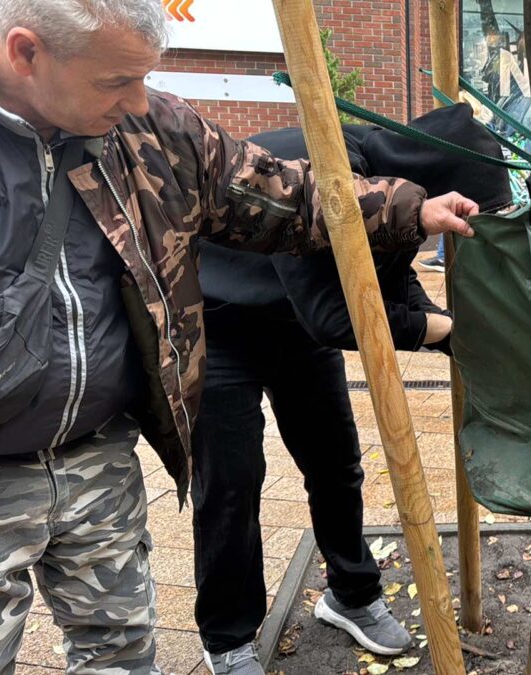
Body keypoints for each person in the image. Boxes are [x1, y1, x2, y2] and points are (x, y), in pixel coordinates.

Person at [0, 2, 476, 674]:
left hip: (96, 450)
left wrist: (410, 207)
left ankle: (332, 599)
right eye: (116, 81)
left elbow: (278, 193)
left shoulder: (152, 127)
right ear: (26, 53)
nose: (138, 100)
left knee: (120, 650)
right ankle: (230, 636)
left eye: (145, 77)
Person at [192, 109, 512, 674]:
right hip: (221, 324)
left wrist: (451, 332)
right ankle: (229, 638)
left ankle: (350, 595)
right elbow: (333, 316)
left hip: (296, 327)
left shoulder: (401, 186)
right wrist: (445, 331)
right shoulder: (320, 160)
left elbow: (388, 274)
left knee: (336, 464)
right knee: (231, 481)